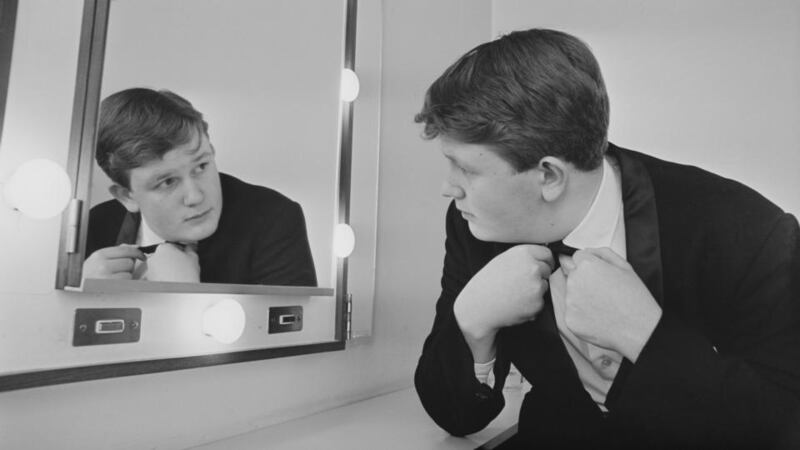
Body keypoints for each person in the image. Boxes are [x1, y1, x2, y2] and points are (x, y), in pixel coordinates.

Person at [413, 29, 800, 449]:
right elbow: (455, 415)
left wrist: (645, 336)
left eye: (466, 169)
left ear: (549, 175)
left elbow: (783, 425)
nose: (449, 188)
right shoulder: (475, 225)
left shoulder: (745, 229)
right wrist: (472, 318)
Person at [83, 88, 317, 286]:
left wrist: (185, 296)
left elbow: (297, 327)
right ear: (127, 196)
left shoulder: (273, 218)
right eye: (167, 182)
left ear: (211, 150)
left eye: (201, 166)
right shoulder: (93, 227)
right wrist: (82, 295)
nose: (195, 196)